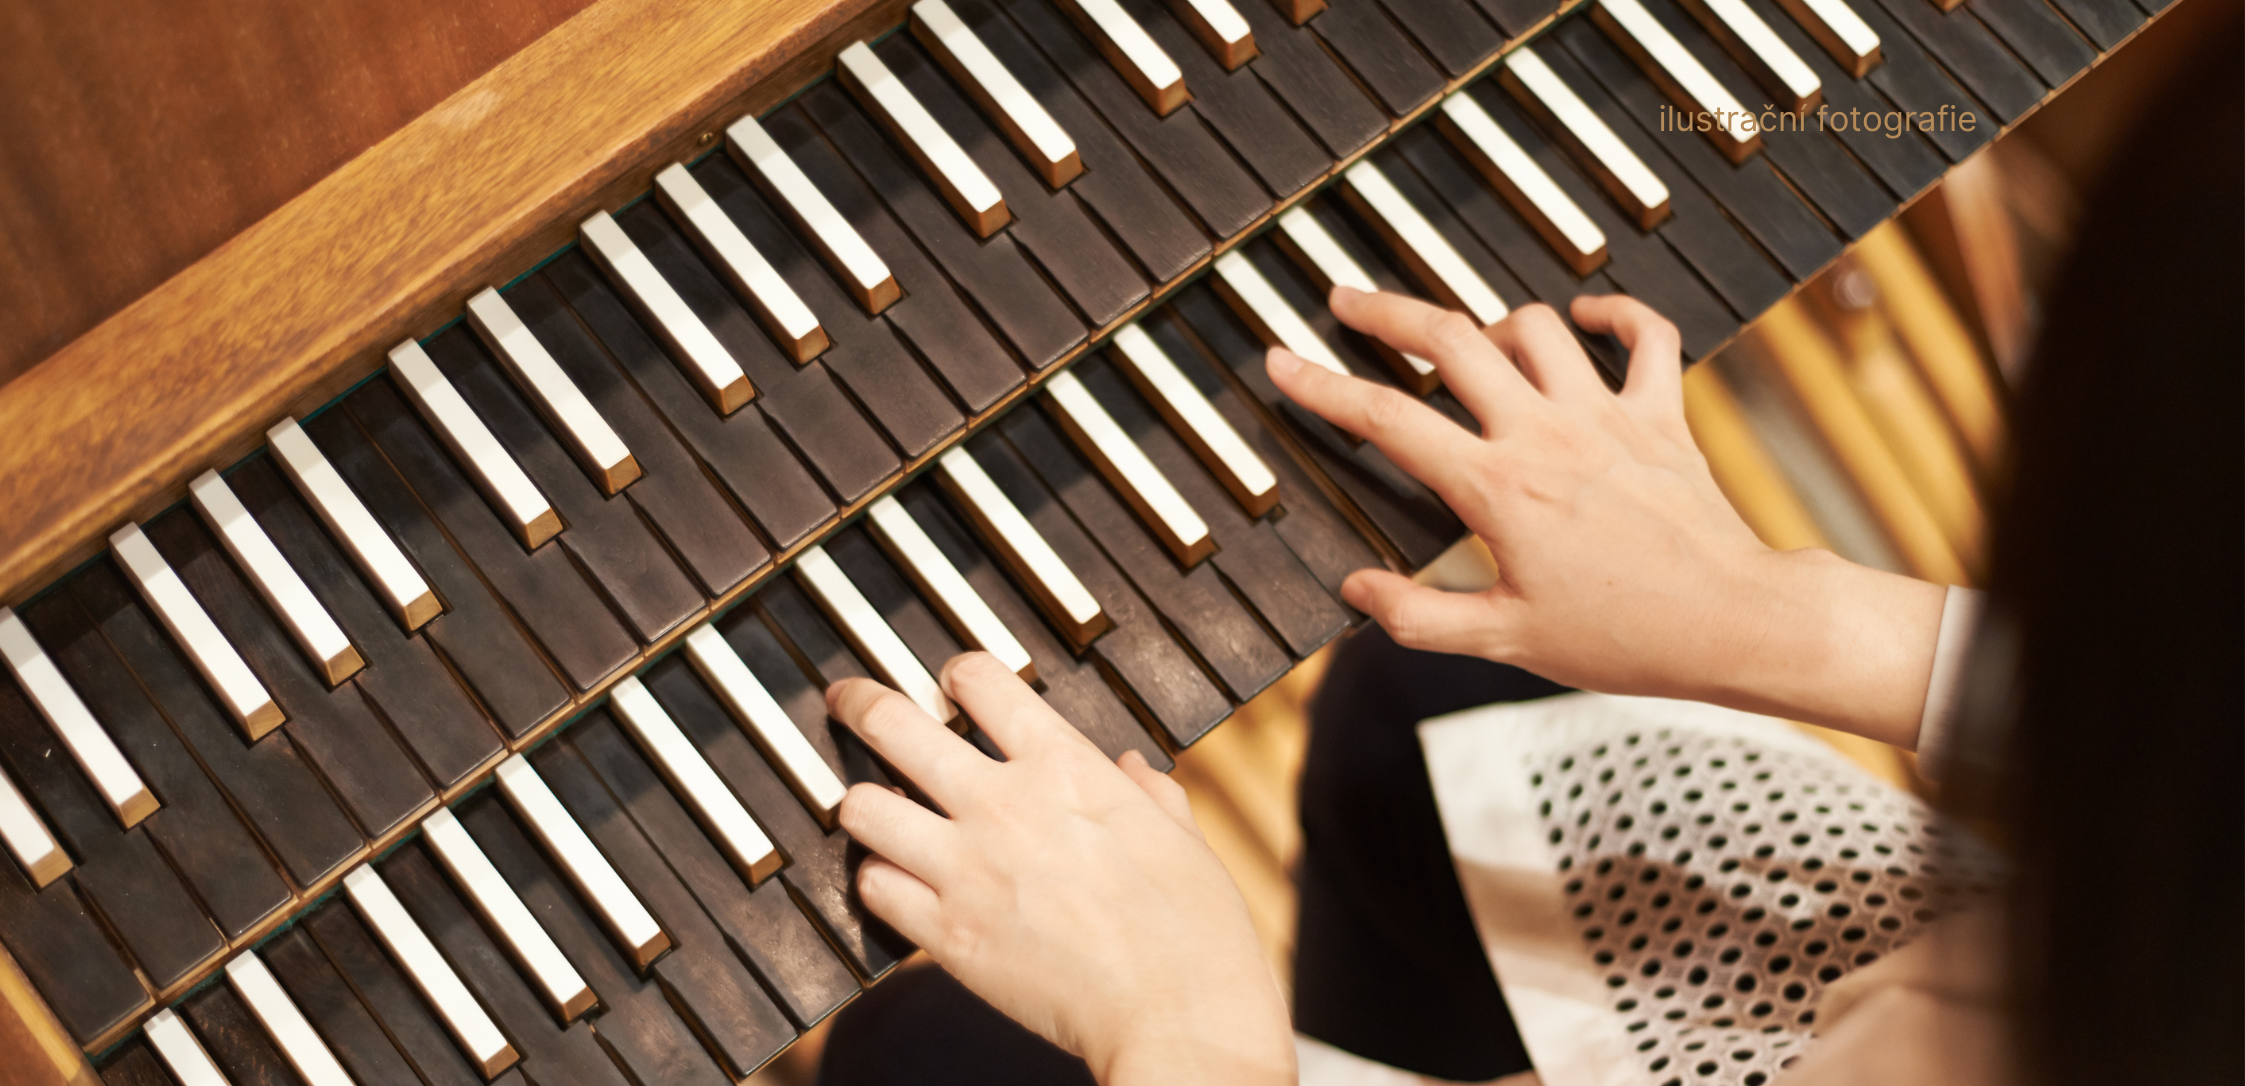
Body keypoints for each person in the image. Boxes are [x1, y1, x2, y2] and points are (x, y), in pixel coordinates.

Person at [811, 26, 2240, 1086]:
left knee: (935, 1041)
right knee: (1415, 701)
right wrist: (1780, 618)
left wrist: (1188, 1025)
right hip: (1979, 987)